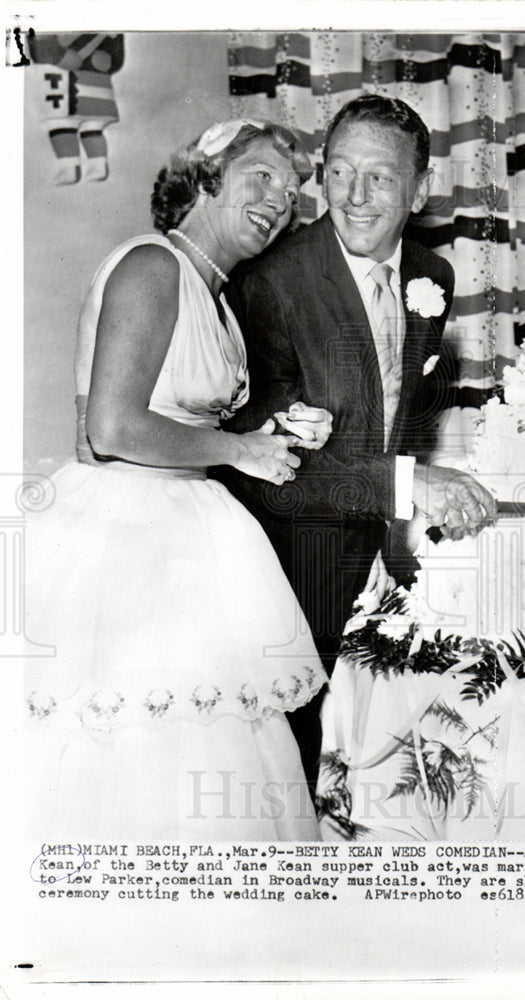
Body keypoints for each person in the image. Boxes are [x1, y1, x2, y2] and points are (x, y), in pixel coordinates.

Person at [24, 119, 334, 841]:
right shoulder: (152, 265)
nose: (278, 202)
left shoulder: (215, 294)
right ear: (207, 174)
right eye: (261, 177)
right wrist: (237, 449)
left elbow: (186, 421)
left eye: (289, 196)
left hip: (183, 522)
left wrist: (272, 434)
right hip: (125, 533)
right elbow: (110, 430)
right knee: (143, 748)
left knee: (217, 743)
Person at [217, 95, 497, 790]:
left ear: (419, 188)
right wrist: (409, 485)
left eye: (378, 176)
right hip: (288, 553)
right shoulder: (271, 280)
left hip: (374, 556)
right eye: (339, 173)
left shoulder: (433, 276)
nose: (355, 197)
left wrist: (402, 515)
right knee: (289, 751)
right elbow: (271, 464)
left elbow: (398, 413)